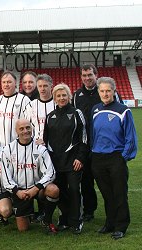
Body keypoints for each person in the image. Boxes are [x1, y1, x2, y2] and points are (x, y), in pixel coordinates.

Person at [72, 64, 122, 222]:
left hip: (105, 146)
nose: (87, 78)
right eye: (84, 75)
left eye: (90, 75)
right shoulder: (77, 95)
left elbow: (119, 115)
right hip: (85, 145)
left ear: (96, 75)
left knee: (108, 182)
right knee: (86, 181)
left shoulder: (105, 92)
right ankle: (89, 211)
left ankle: (115, 214)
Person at [91, 77, 137, 240]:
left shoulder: (123, 110)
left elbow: (130, 137)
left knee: (119, 193)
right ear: (98, 92)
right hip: (98, 159)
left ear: (114, 92)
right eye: (102, 91)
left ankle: (121, 226)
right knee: (107, 194)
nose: (105, 94)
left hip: (116, 158)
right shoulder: (95, 110)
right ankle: (110, 223)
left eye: (108, 91)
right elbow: (93, 134)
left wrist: (123, 157)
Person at [42, 83, 88, 234]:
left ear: (69, 97)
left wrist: (80, 158)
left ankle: (77, 221)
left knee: (74, 190)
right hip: (56, 163)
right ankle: (64, 219)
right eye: (58, 96)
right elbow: (46, 139)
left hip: (73, 162)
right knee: (60, 192)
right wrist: (49, 162)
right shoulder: (50, 116)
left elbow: (84, 138)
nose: (61, 98)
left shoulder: (76, 113)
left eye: (64, 95)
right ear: (54, 98)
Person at [1, 119, 59, 233]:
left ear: (32, 129)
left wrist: (36, 188)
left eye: (28, 127)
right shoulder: (8, 150)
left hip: (37, 189)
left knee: (53, 190)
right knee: (23, 229)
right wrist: (17, 191)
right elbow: (6, 177)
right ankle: (25, 212)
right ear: (16, 131)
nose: (25, 131)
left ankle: (46, 219)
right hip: (20, 191)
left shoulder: (40, 149)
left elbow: (51, 173)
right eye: (21, 129)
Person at [0, 71, 30, 146]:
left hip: (17, 146)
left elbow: (29, 123)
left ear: (15, 83)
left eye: (9, 82)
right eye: (4, 82)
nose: (6, 85)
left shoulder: (24, 100)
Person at [23, 74, 56, 141]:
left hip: (55, 144)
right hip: (37, 145)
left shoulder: (57, 104)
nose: (42, 89)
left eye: (45, 86)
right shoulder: (31, 106)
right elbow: (28, 128)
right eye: (40, 86)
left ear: (51, 86)